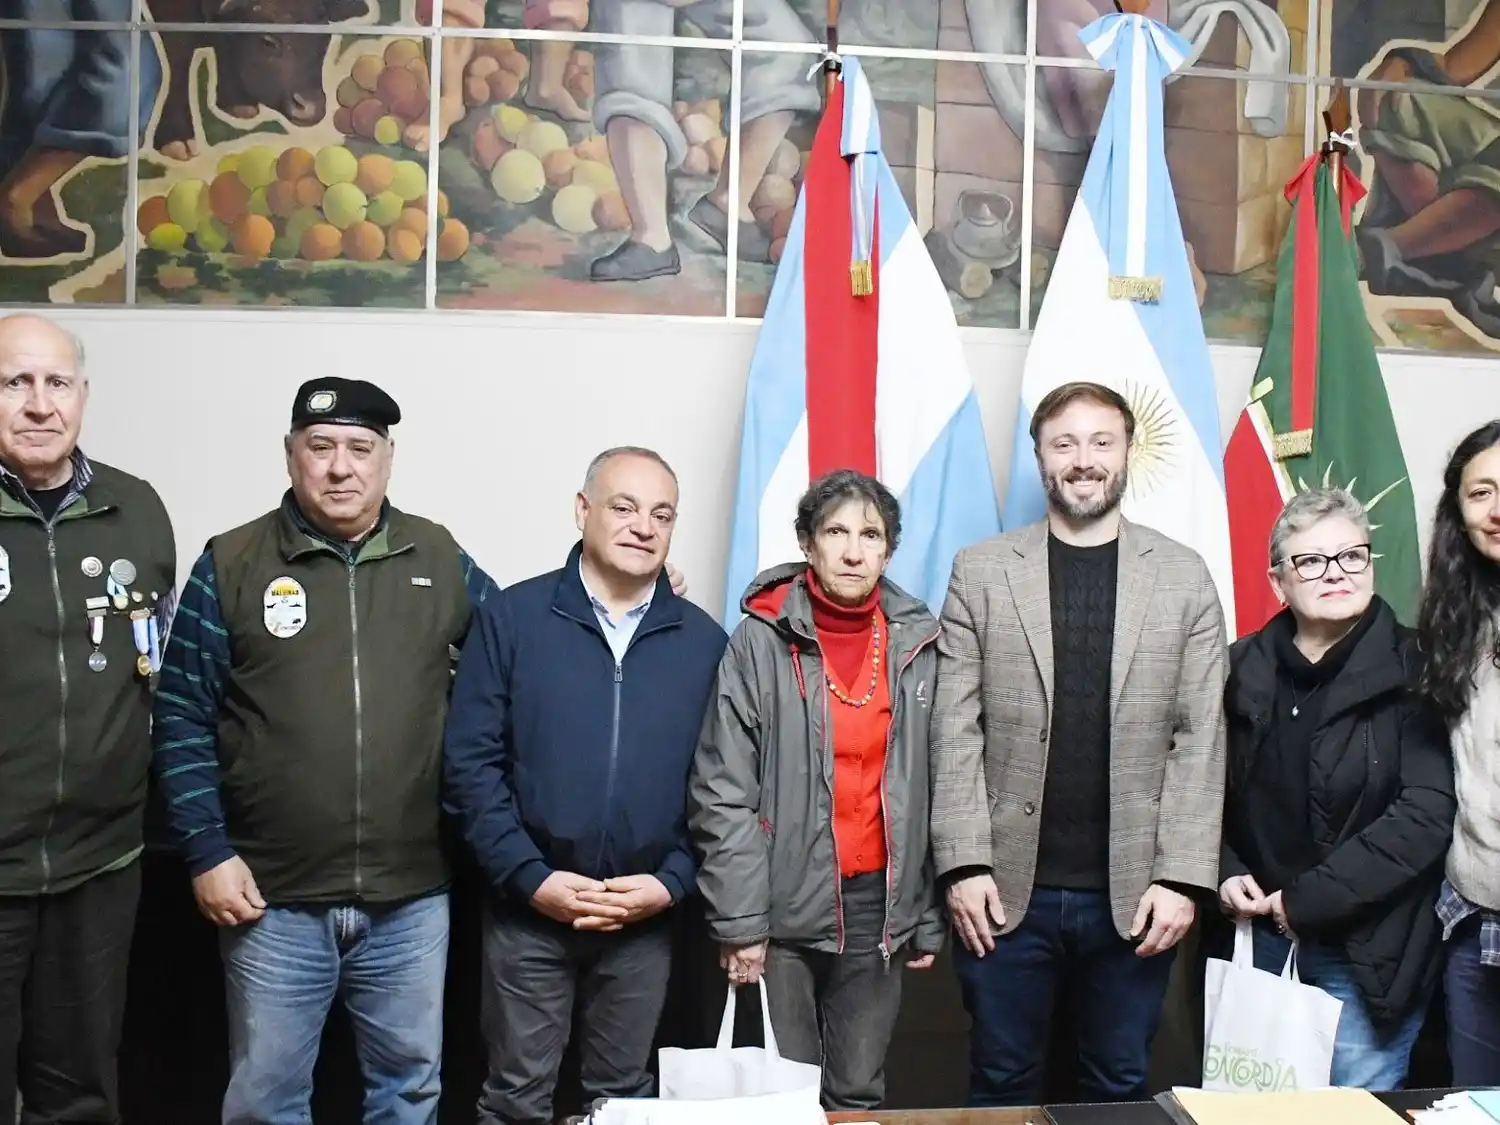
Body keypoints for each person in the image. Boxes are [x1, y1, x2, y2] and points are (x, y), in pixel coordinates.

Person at [149, 377, 495, 1125]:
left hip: (411, 897)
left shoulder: (439, 556)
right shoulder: (232, 562)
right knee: (267, 1102)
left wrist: (619, 583)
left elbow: (519, 647)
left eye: (360, 448)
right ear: (291, 455)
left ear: (387, 459)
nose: (341, 466)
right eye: (321, 447)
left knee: (409, 1094)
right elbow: (180, 716)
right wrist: (206, 850)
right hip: (271, 900)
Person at [930, 380, 1228, 1107]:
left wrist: (1182, 878)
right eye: (1064, 443)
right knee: (1000, 1080)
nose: (1083, 459)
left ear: (1127, 452)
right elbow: (954, 728)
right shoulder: (982, 570)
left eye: (1101, 441)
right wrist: (964, 863)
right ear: (1040, 456)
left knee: (1115, 1086)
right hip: (1004, 893)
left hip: (1138, 896)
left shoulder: (1183, 575)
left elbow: (1201, 737)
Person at [443, 446, 727, 1125]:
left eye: (662, 514)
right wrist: (530, 877)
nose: (643, 527)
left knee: (622, 1099)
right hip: (528, 911)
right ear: (582, 510)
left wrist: (671, 882)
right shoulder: (512, 619)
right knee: (515, 1097)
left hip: (644, 917)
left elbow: (724, 784)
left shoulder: (705, 642)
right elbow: (470, 767)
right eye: (624, 507)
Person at [688, 469, 944, 1111]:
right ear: (807, 543)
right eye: (836, 532)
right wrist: (741, 921)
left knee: (857, 1090)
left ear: (888, 551)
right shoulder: (759, 639)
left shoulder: (920, 643)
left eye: (870, 535)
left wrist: (925, 913)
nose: (854, 551)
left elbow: (936, 784)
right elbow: (722, 789)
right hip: (779, 906)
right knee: (785, 1096)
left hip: (878, 907)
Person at [0, 313, 176, 1120]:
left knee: (79, 1090)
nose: (40, 404)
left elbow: (159, 664)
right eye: (15, 382)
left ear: (83, 395)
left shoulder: (134, 508)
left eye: (56, 382)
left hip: (99, 862)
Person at [1219, 487, 1455, 1090]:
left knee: (1351, 1111)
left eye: (1352, 555)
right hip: (1257, 938)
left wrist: (1304, 902)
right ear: (1278, 582)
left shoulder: (1417, 667)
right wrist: (1225, 869)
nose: (1336, 573)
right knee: (1254, 1112)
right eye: (1311, 561)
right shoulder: (1237, 666)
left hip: (1369, 952)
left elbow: (1425, 815)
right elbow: (1203, 792)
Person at [1416, 419, 1500, 1086]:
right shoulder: (1457, 622)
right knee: (1475, 1104)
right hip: (1474, 912)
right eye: (1481, 492)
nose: (1497, 509)